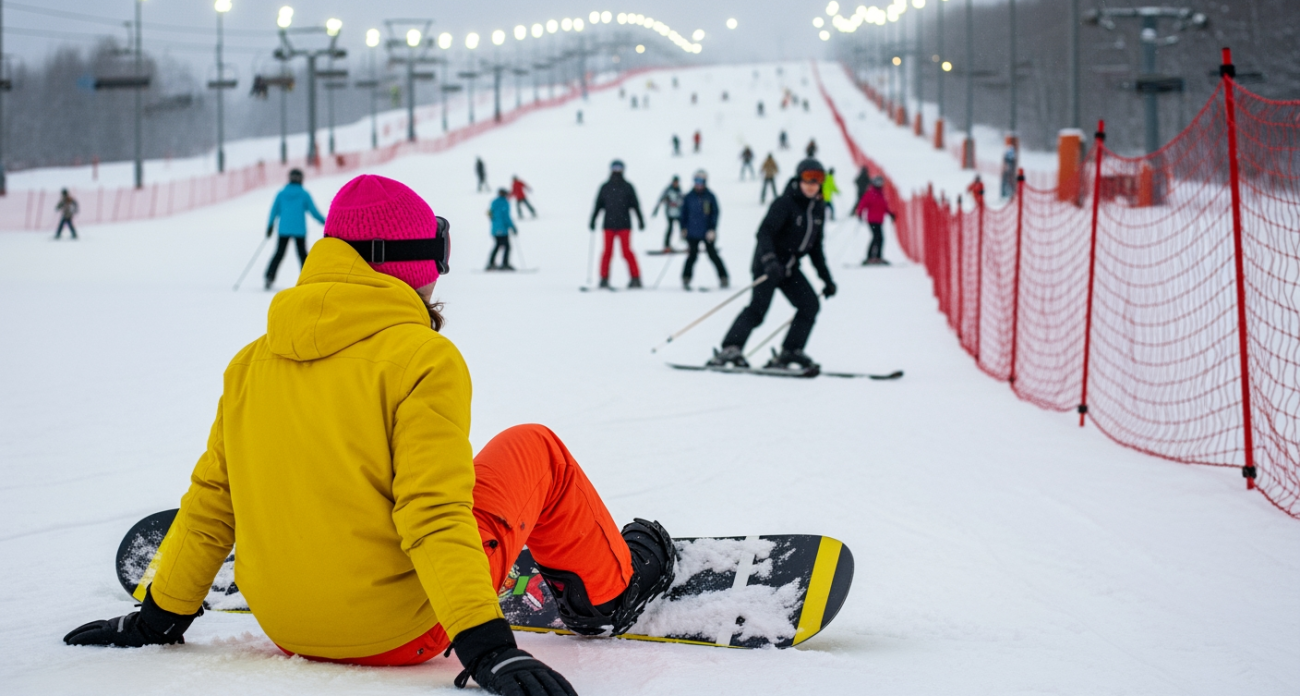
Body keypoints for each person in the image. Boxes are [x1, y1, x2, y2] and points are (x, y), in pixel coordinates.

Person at [62, 175, 678, 696]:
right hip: (407, 633)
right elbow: (432, 513)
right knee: (532, 446)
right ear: (410, 264)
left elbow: (210, 506)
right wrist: (488, 648)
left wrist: (157, 618)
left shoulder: (252, 360)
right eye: (439, 252)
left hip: (287, 628)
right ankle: (609, 592)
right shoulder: (423, 359)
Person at [708, 159, 836, 371]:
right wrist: (769, 261)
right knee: (758, 309)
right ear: (799, 178)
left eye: (818, 178)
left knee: (809, 305)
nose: (813, 183)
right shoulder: (785, 203)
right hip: (767, 265)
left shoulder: (818, 209)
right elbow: (764, 232)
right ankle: (731, 348)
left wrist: (827, 279)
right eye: (808, 177)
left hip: (789, 268)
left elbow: (815, 248)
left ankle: (790, 351)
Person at [265, 169, 325, 291]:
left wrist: (270, 226)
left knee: (279, 254)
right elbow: (314, 212)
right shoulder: (304, 194)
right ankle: (308, 278)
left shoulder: (281, 194)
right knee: (303, 255)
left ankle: (269, 277)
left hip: (284, 230)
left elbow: (274, 211)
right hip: (299, 230)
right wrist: (327, 222)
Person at [589, 160, 645, 289]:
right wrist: (593, 219)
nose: (617, 170)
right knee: (607, 252)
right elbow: (598, 205)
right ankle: (604, 278)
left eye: (619, 167)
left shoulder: (628, 187)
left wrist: (640, 220)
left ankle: (635, 278)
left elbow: (635, 205)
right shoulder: (605, 187)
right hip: (608, 225)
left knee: (627, 252)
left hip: (624, 224)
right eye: (615, 167)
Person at [679, 170, 728, 290]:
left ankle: (723, 277)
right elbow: (683, 214)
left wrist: (712, 229)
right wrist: (683, 228)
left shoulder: (710, 196)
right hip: (692, 232)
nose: (698, 184)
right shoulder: (689, 197)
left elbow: (715, 213)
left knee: (712, 254)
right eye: (696, 181)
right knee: (692, 255)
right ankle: (686, 278)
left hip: (707, 233)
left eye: (700, 181)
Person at [854, 176, 895, 265]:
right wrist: (860, 213)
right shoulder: (870, 193)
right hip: (872, 220)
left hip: (879, 220)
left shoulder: (880, 194)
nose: (880, 185)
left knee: (879, 238)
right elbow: (862, 204)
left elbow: (884, 206)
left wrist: (890, 213)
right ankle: (871, 257)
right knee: (877, 237)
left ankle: (877, 257)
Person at [651, 175, 684, 252]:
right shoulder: (668, 190)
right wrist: (656, 209)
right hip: (669, 213)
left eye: (677, 182)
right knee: (670, 228)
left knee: (683, 228)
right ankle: (667, 245)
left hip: (678, 213)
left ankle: (688, 244)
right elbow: (661, 199)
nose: (676, 183)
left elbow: (683, 201)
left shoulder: (679, 190)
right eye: (675, 182)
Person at [487, 188, 517, 271]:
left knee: (498, 245)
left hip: (495, 228)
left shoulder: (494, 202)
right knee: (507, 246)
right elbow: (506, 217)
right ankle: (504, 264)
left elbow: (490, 214)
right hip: (502, 229)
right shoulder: (504, 203)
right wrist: (512, 227)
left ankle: (491, 263)